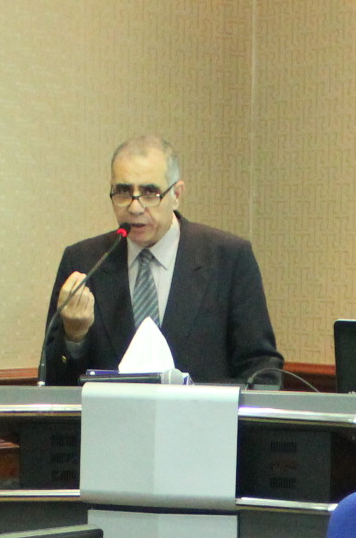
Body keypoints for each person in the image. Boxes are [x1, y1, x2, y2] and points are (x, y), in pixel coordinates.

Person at [38, 134, 284, 387]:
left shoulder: (229, 258)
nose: (135, 208)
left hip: (201, 413)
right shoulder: (83, 262)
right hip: (111, 413)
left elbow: (261, 370)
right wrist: (74, 337)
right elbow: (52, 383)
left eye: (150, 192)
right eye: (123, 192)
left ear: (176, 194)